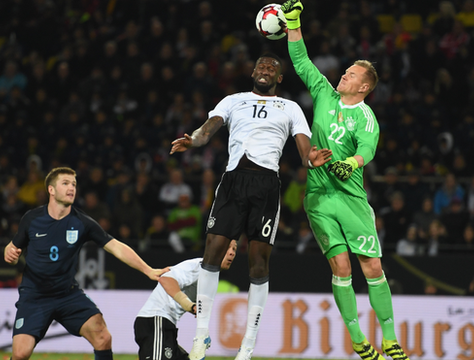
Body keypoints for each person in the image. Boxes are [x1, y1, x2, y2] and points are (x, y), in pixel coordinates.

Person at [170, 52, 332, 360]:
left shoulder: (291, 108)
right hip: (232, 183)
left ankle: (247, 345)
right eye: (261, 65)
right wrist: (192, 139)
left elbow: (303, 150)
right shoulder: (233, 100)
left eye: (272, 67)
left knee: (258, 263)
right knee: (212, 254)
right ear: (252, 73)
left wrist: (311, 159)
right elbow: (208, 129)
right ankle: (201, 336)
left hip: (266, 187)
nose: (265, 69)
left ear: (279, 78)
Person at [282, 1, 411, 359]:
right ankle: (357, 338)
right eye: (346, 72)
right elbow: (301, 61)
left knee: (372, 267)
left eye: (352, 75)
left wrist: (350, 164)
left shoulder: (366, 117)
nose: (344, 76)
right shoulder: (324, 94)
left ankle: (390, 338)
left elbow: (368, 149)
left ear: (364, 87)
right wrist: (293, 23)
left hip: (350, 197)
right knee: (340, 267)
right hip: (319, 196)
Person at [3, 167, 168, 360]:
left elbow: (116, 247)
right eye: (65, 183)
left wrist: (148, 270)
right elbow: (12, 245)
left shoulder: (82, 222)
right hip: (34, 296)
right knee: (20, 354)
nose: (71, 188)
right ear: (51, 190)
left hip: (67, 294)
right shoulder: (31, 219)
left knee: (103, 337)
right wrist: (9, 251)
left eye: (73, 184)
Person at [134, 240, 238, 360]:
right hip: (155, 321)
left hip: (166, 326)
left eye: (234, 249)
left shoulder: (211, 276)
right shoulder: (200, 266)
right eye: (227, 247)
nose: (231, 253)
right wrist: (190, 305)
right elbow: (166, 280)